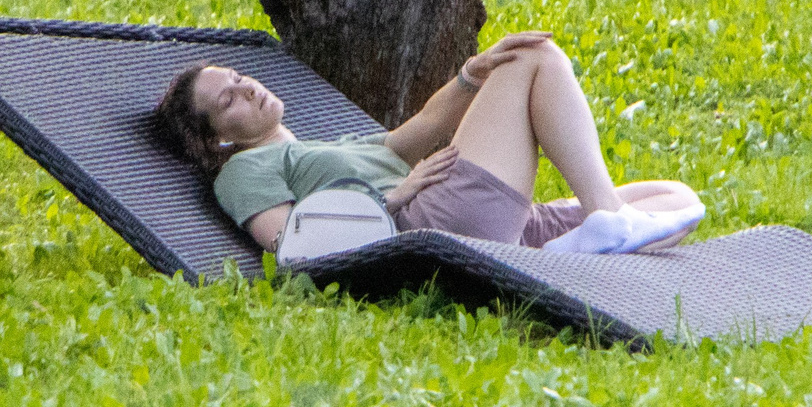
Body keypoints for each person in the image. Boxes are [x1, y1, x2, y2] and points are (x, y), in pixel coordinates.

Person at [149, 32, 705, 254]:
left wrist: (472, 72)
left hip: (464, 209)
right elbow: (292, 244)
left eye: (238, 77)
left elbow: (415, 131)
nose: (246, 86)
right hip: (432, 219)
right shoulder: (243, 171)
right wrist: (393, 198)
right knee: (535, 59)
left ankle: (569, 251)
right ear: (216, 139)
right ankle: (604, 219)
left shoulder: (317, 146)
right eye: (228, 100)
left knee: (677, 200)